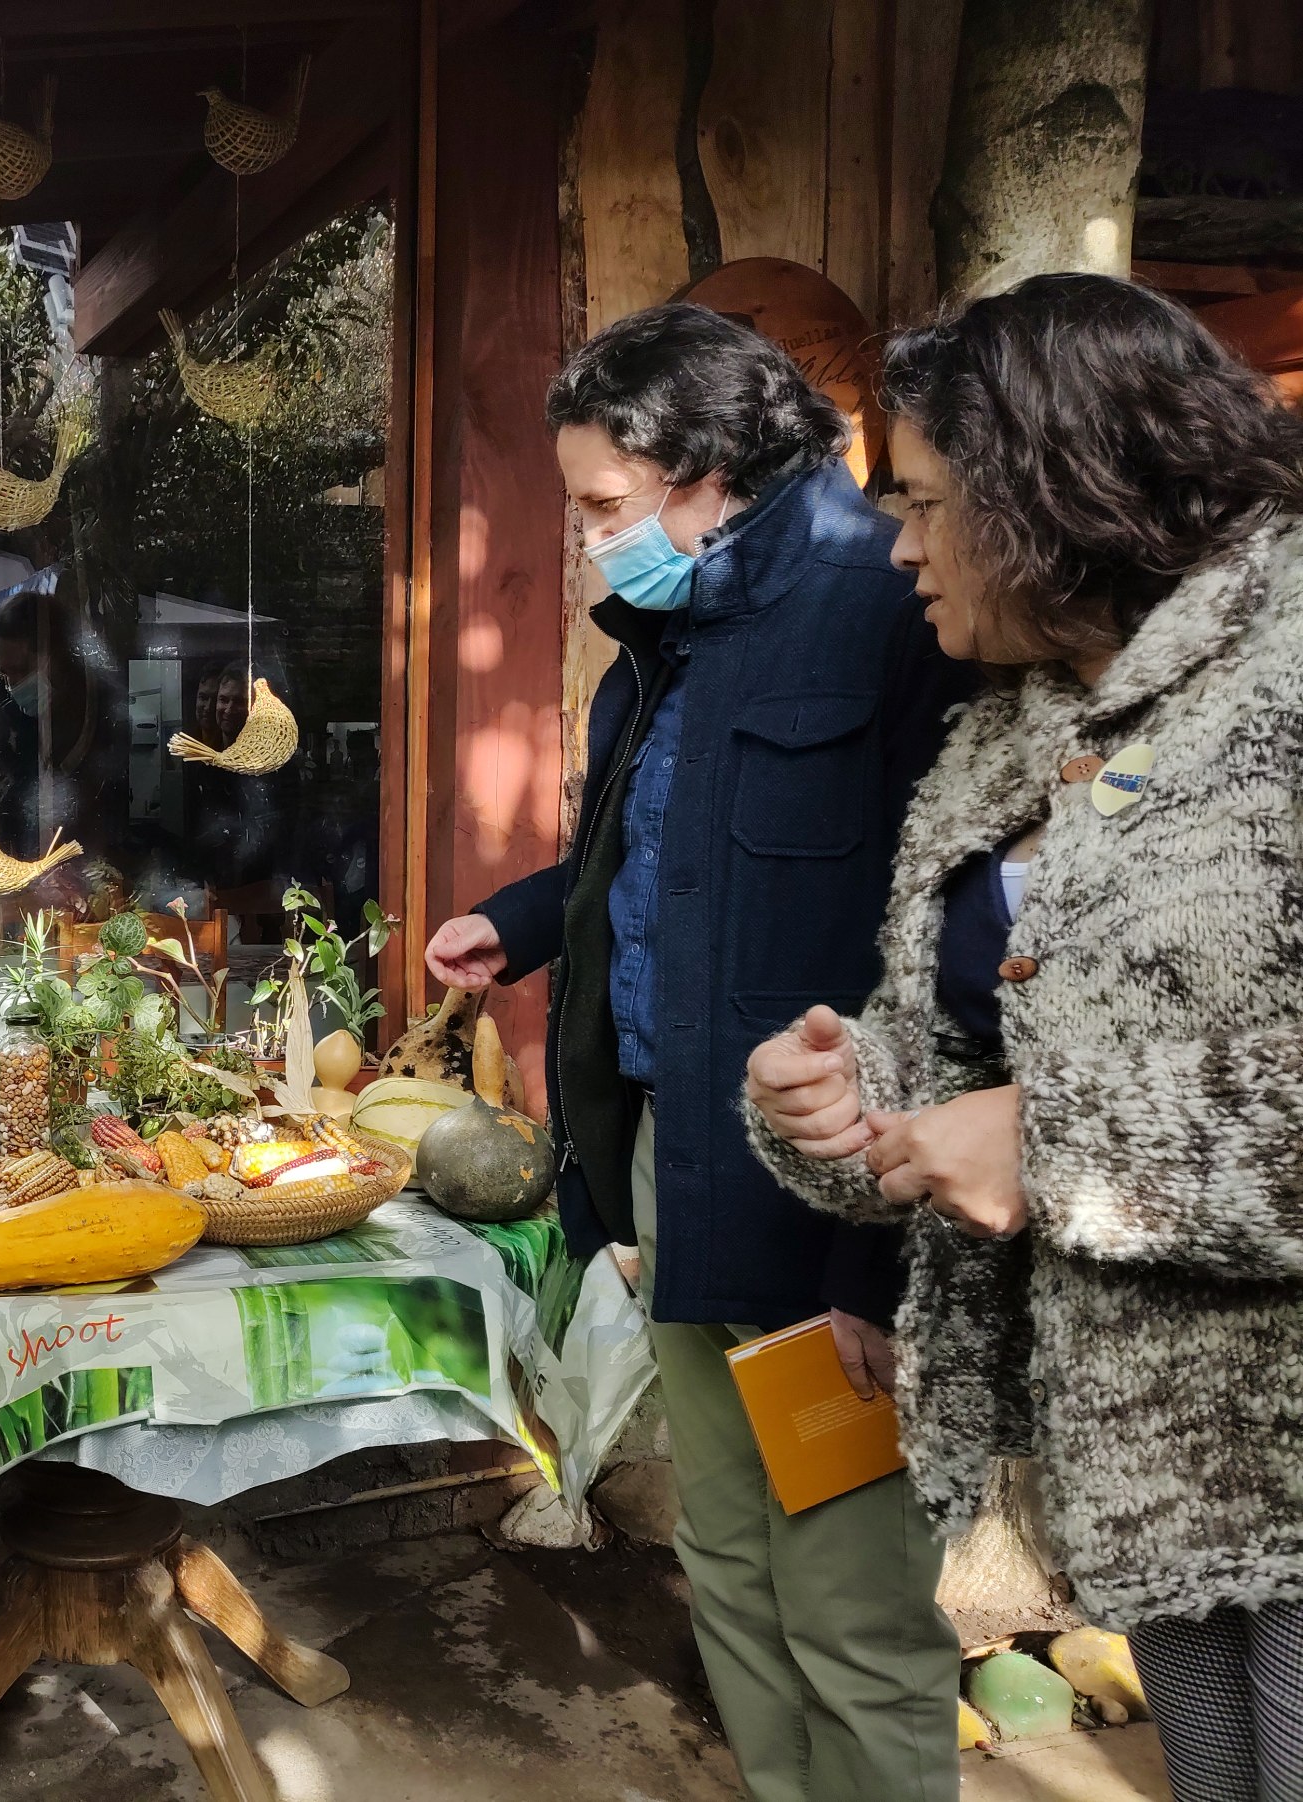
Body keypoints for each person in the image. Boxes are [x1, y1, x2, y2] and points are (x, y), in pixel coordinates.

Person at [747, 273, 1303, 1802]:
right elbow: (988, 1041)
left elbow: (1055, 1115)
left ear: (1052, 492)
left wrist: (1056, 1145)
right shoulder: (1024, 720)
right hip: (1160, 1470)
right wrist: (852, 1098)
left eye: (924, 501)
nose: (899, 544)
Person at [423, 302, 971, 1801]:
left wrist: (873, 1254)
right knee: (725, 1546)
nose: (590, 537)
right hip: (681, 1162)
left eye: (603, 501)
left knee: (851, 1594)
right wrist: (523, 920)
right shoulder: (670, 633)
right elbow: (670, 862)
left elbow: (952, 951)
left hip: (831, 1196)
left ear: (710, 465)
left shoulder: (890, 606)